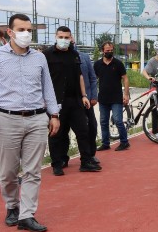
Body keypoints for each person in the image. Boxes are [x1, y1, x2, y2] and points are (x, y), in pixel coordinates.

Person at [0, 13, 60, 232]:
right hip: (7, 119)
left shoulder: (39, 58)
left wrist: (53, 115)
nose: (26, 34)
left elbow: (48, 88)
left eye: (29, 30)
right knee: (7, 172)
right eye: (22, 29)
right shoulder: (0, 57)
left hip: (36, 118)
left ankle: (27, 215)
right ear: (10, 32)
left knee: (33, 171)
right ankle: (12, 206)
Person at [43, 26, 100, 175]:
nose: (64, 40)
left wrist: (84, 96)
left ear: (70, 38)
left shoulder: (74, 55)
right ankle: (57, 164)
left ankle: (86, 161)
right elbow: (41, 78)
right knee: (57, 134)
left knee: (83, 131)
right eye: (61, 37)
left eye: (66, 37)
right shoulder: (47, 55)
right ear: (56, 37)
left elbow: (80, 76)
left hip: (75, 101)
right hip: (55, 102)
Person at [94, 42, 130, 151]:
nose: (109, 52)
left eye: (111, 50)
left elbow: (125, 78)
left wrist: (126, 94)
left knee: (118, 120)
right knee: (103, 121)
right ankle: (105, 143)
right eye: (107, 50)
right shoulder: (97, 64)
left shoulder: (118, 63)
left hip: (116, 98)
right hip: (103, 98)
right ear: (102, 50)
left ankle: (124, 142)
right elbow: (93, 79)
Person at [75, 38, 100, 165]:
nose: (67, 42)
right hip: (69, 101)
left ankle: (90, 155)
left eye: (69, 39)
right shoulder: (55, 57)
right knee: (63, 131)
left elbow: (92, 77)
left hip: (87, 100)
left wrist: (94, 96)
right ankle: (61, 158)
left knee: (92, 127)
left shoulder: (84, 57)